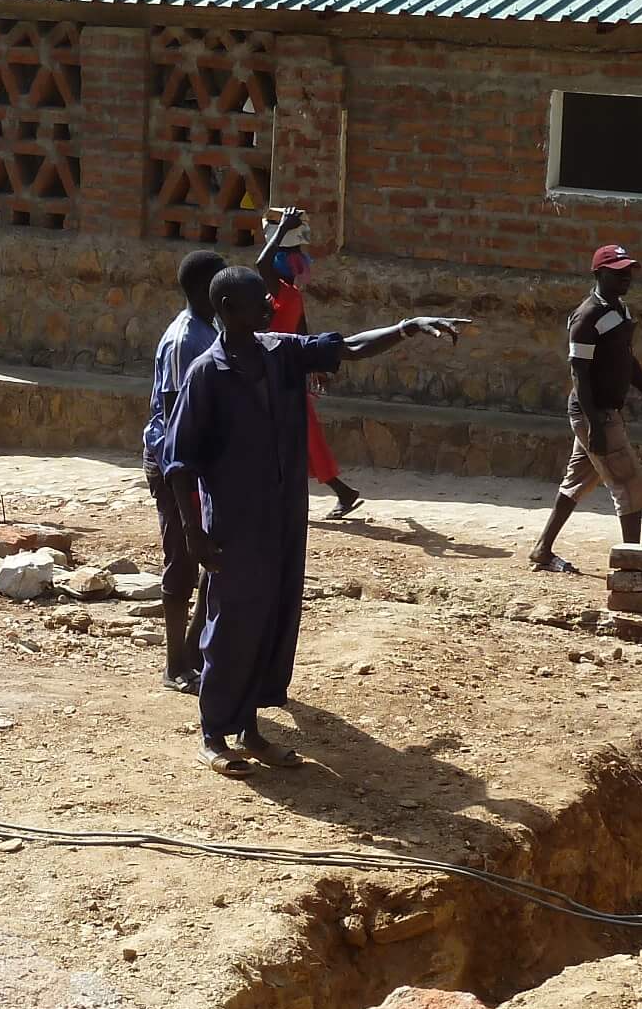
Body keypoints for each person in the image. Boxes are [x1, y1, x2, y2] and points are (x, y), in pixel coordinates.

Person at [167, 266, 463, 774]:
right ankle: (214, 733)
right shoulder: (206, 375)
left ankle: (252, 729)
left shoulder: (282, 354)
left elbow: (347, 347)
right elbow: (179, 462)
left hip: (284, 518)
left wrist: (406, 327)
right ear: (227, 310)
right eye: (257, 301)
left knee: (273, 619)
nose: (268, 307)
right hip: (235, 525)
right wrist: (194, 535)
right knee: (232, 624)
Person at [530, 243, 642, 572]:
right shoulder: (587, 317)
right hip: (594, 413)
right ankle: (633, 569)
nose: (626, 278)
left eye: (628, 272)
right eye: (617, 273)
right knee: (630, 487)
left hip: (603, 413)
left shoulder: (620, 310)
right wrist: (594, 424)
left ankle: (542, 549)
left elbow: (628, 360)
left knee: (576, 482)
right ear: (598, 274)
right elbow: (578, 373)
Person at [144, 250, 229, 693]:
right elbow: (178, 427)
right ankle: (175, 664)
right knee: (182, 556)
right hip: (176, 465)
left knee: (208, 555)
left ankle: (194, 653)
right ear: (203, 289)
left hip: (199, 461)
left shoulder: (210, 327)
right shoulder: (183, 341)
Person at [257, 209, 366, 518]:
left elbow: (260, 263)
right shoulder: (292, 296)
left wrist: (281, 232)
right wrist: (316, 364)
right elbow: (304, 333)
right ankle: (340, 491)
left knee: (298, 436)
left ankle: (340, 492)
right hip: (287, 369)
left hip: (275, 372)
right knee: (302, 435)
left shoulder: (278, 292)